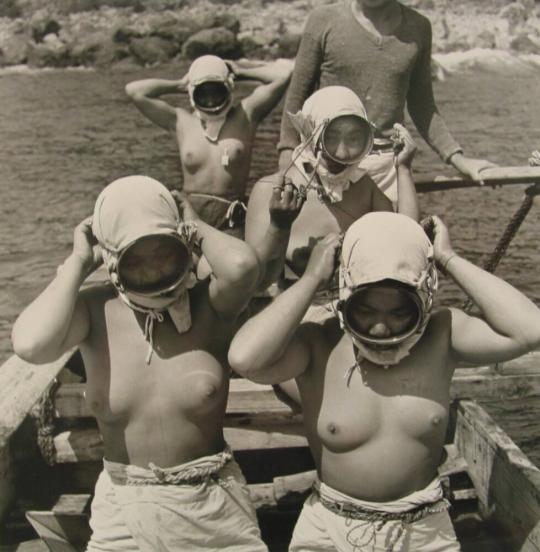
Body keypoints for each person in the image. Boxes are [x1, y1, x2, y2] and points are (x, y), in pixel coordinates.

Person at [228, 211, 540, 551]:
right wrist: (313, 279)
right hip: (332, 528)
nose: (380, 329)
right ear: (346, 293)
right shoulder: (319, 341)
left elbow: (531, 330)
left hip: (423, 530)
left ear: (423, 298)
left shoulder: (442, 335)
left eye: (399, 312)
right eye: (365, 311)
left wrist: (448, 259)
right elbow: (245, 359)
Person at [11, 176, 268, 551]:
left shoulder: (209, 304)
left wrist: (192, 223)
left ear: (181, 244)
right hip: (123, 507)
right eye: (137, 259)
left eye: (163, 253)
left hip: (211, 500)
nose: (152, 272)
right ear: (114, 258)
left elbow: (245, 265)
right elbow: (31, 345)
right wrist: (79, 262)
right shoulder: (94, 310)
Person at [278, 0, 496, 203]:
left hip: (387, 172)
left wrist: (459, 159)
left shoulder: (418, 28)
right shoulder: (323, 20)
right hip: (327, 166)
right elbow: (297, 97)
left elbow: (423, 106)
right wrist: (286, 162)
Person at [246, 86, 419, 302]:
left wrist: (403, 169)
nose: (342, 153)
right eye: (332, 138)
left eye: (354, 139)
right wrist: (279, 227)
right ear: (311, 133)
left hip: (351, 315)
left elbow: (406, 245)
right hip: (291, 316)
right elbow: (257, 283)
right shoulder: (272, 191)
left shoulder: (365, 188)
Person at [125, 55, 293, 236]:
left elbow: (283, 75)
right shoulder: (180, 120)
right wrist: (180, 84)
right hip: (190, 214)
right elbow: (134, 91)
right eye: (203, 94)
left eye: (216, 92)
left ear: (228, 89)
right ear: (192, 93)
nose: (211, 101)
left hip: (231, 217)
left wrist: (240, 72)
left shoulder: (246, 115)